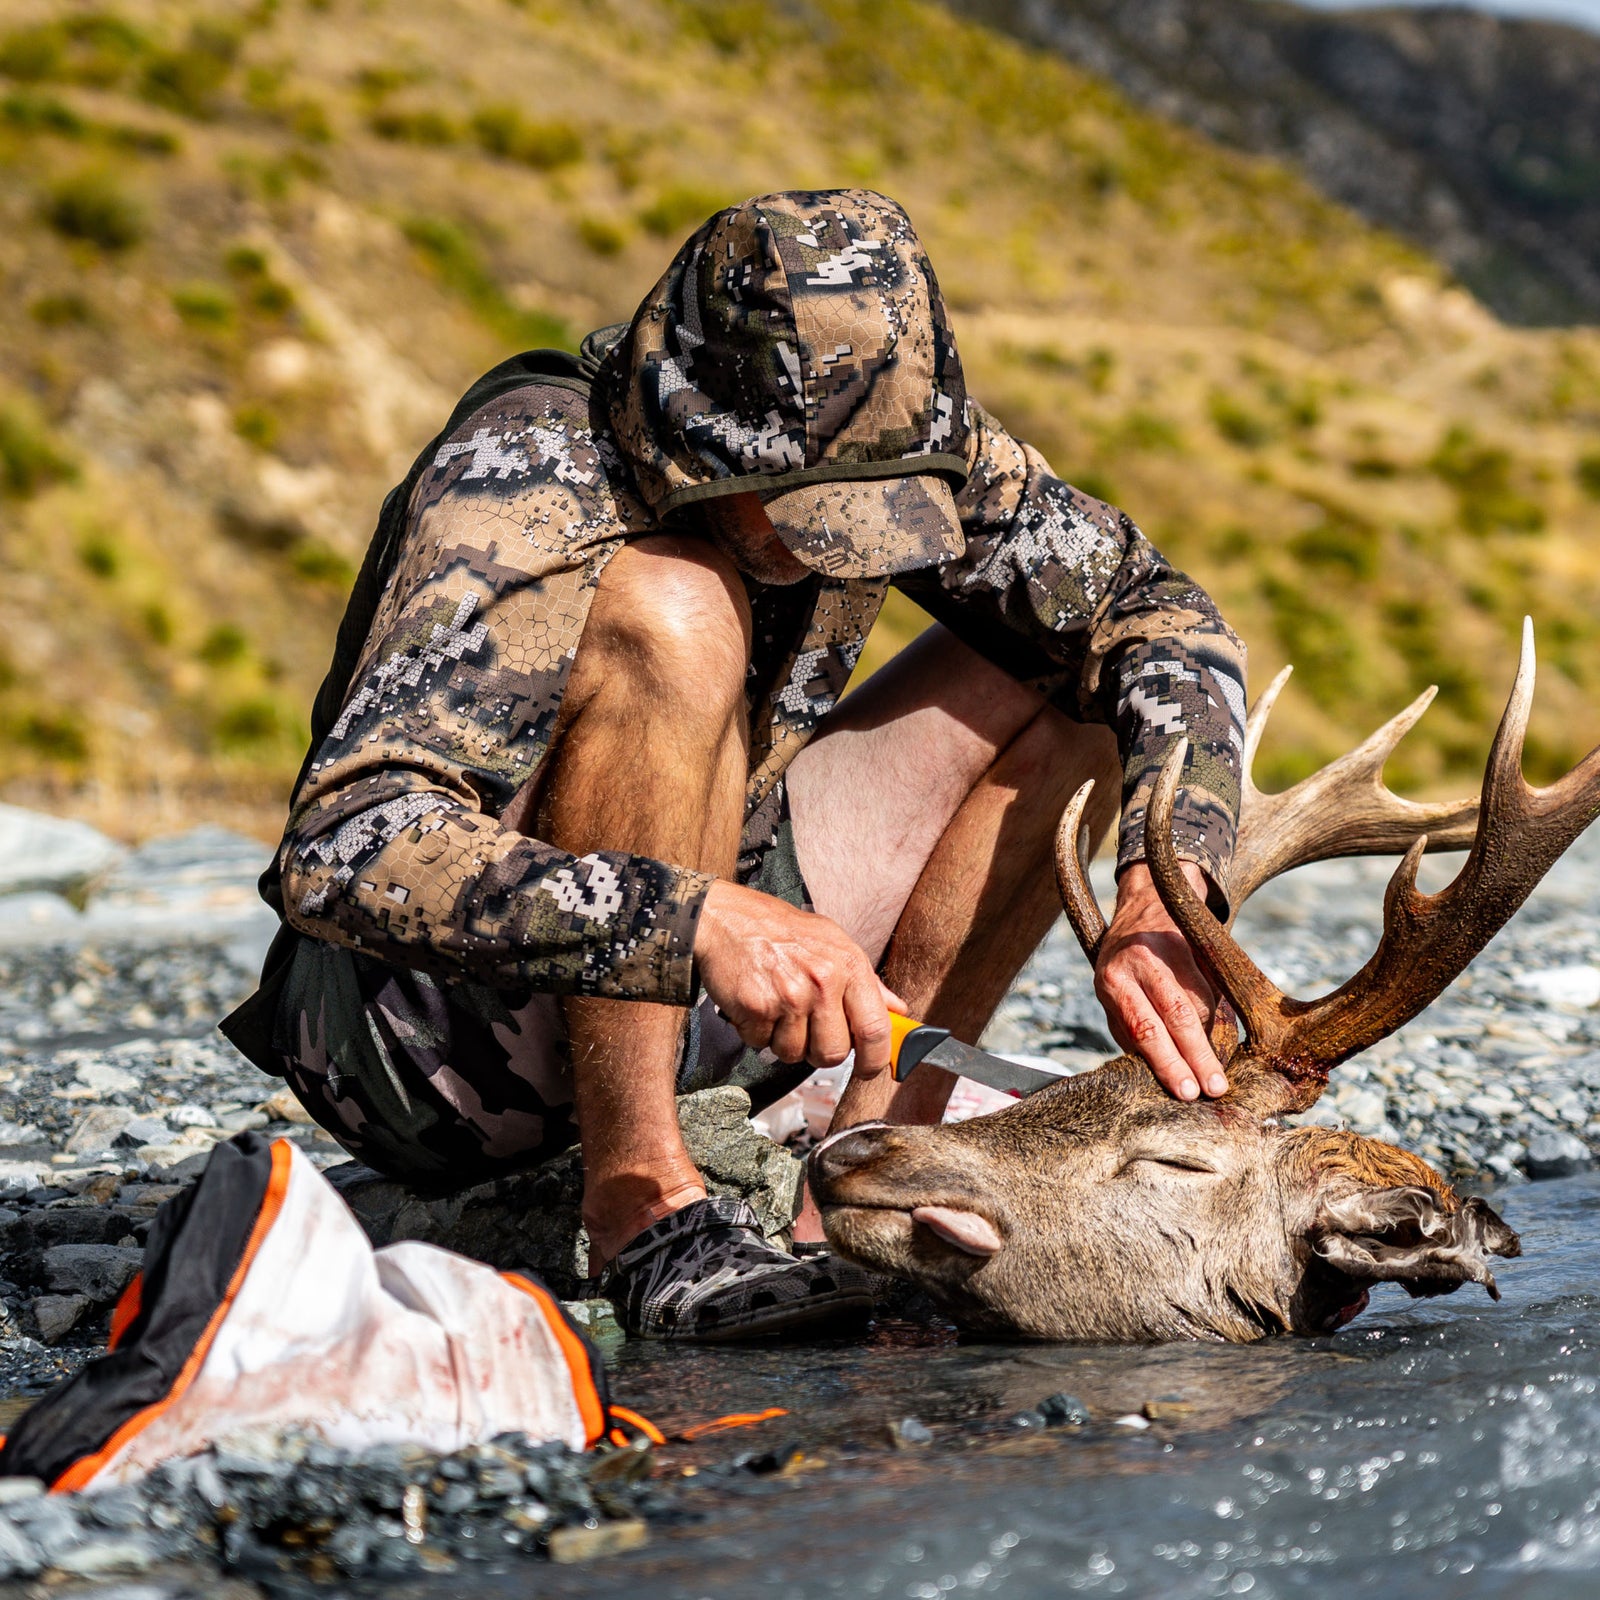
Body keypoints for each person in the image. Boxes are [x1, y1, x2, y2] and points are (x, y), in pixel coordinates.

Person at [222, 190, 1246, 1340]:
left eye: (876, 506)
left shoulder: (900, 436)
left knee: (1080, 677)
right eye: (802, 504)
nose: (837, 541)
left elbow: (1158, 615)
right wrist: (694, 920)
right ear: (688, 420)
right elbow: (341, 846)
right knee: (678, 609)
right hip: (426, 1048)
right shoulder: (528, 472)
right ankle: (644, 1204)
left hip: (721, 963)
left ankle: (871, 1170)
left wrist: (1167, 879)